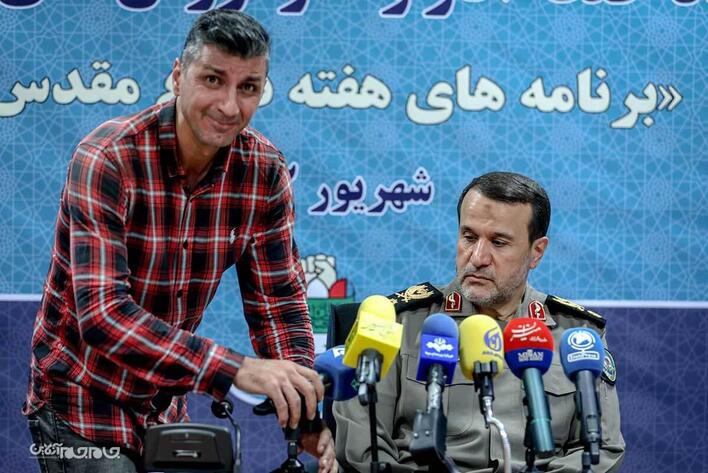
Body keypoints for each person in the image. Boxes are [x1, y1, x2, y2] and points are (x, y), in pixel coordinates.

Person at [23, 9, 336, 473]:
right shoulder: (107, 158)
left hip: (163, 406)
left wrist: (303, 412)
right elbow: (103, 315)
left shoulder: (264, 171)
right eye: (213, 80)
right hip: (79, 400)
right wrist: (235, 370)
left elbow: (279, 302)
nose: (229, 106)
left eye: (248, 87)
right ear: (177, 76)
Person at [334, 171, 624, 472]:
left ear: (536, 252)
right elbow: (363, 449)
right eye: (469, 237)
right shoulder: (398, 323)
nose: (478, 257)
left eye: (498, 242)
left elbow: (602, 449)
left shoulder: (577, 334)